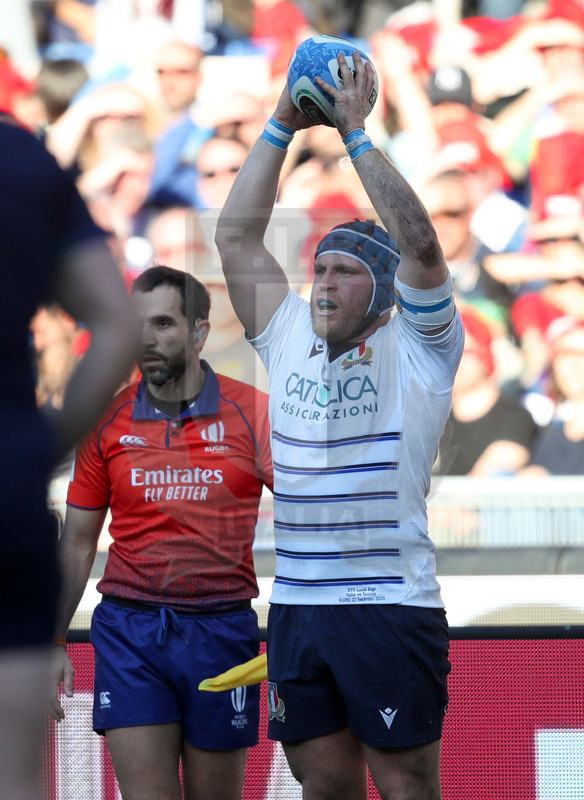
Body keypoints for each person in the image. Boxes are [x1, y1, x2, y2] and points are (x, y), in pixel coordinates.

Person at [216, 50, 464, 800]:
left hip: (388, 607)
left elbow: (420, 245)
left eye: (345, 271)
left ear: (385, 293)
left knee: (407, 788)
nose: (322, 281)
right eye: (318, 268)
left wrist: (355, 134)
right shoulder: (287, 330)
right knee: (323, 790)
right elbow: (233, 240)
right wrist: (284, 121)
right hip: (298, 608)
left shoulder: (420, 344)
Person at [50, 265, 273, 800]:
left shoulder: (254, 413)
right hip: (132, 632)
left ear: (199, 332)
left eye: (164, 324)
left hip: (223, 632)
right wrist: (51, 637)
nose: (146, 339)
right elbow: (78, 542)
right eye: (136, 325)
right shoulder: (108, 420)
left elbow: (311, 516)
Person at [0, 117, 140, 800]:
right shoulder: (22, 158)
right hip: (7, 482)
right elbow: (116, 324)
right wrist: (40, 446)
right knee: (14, 776)